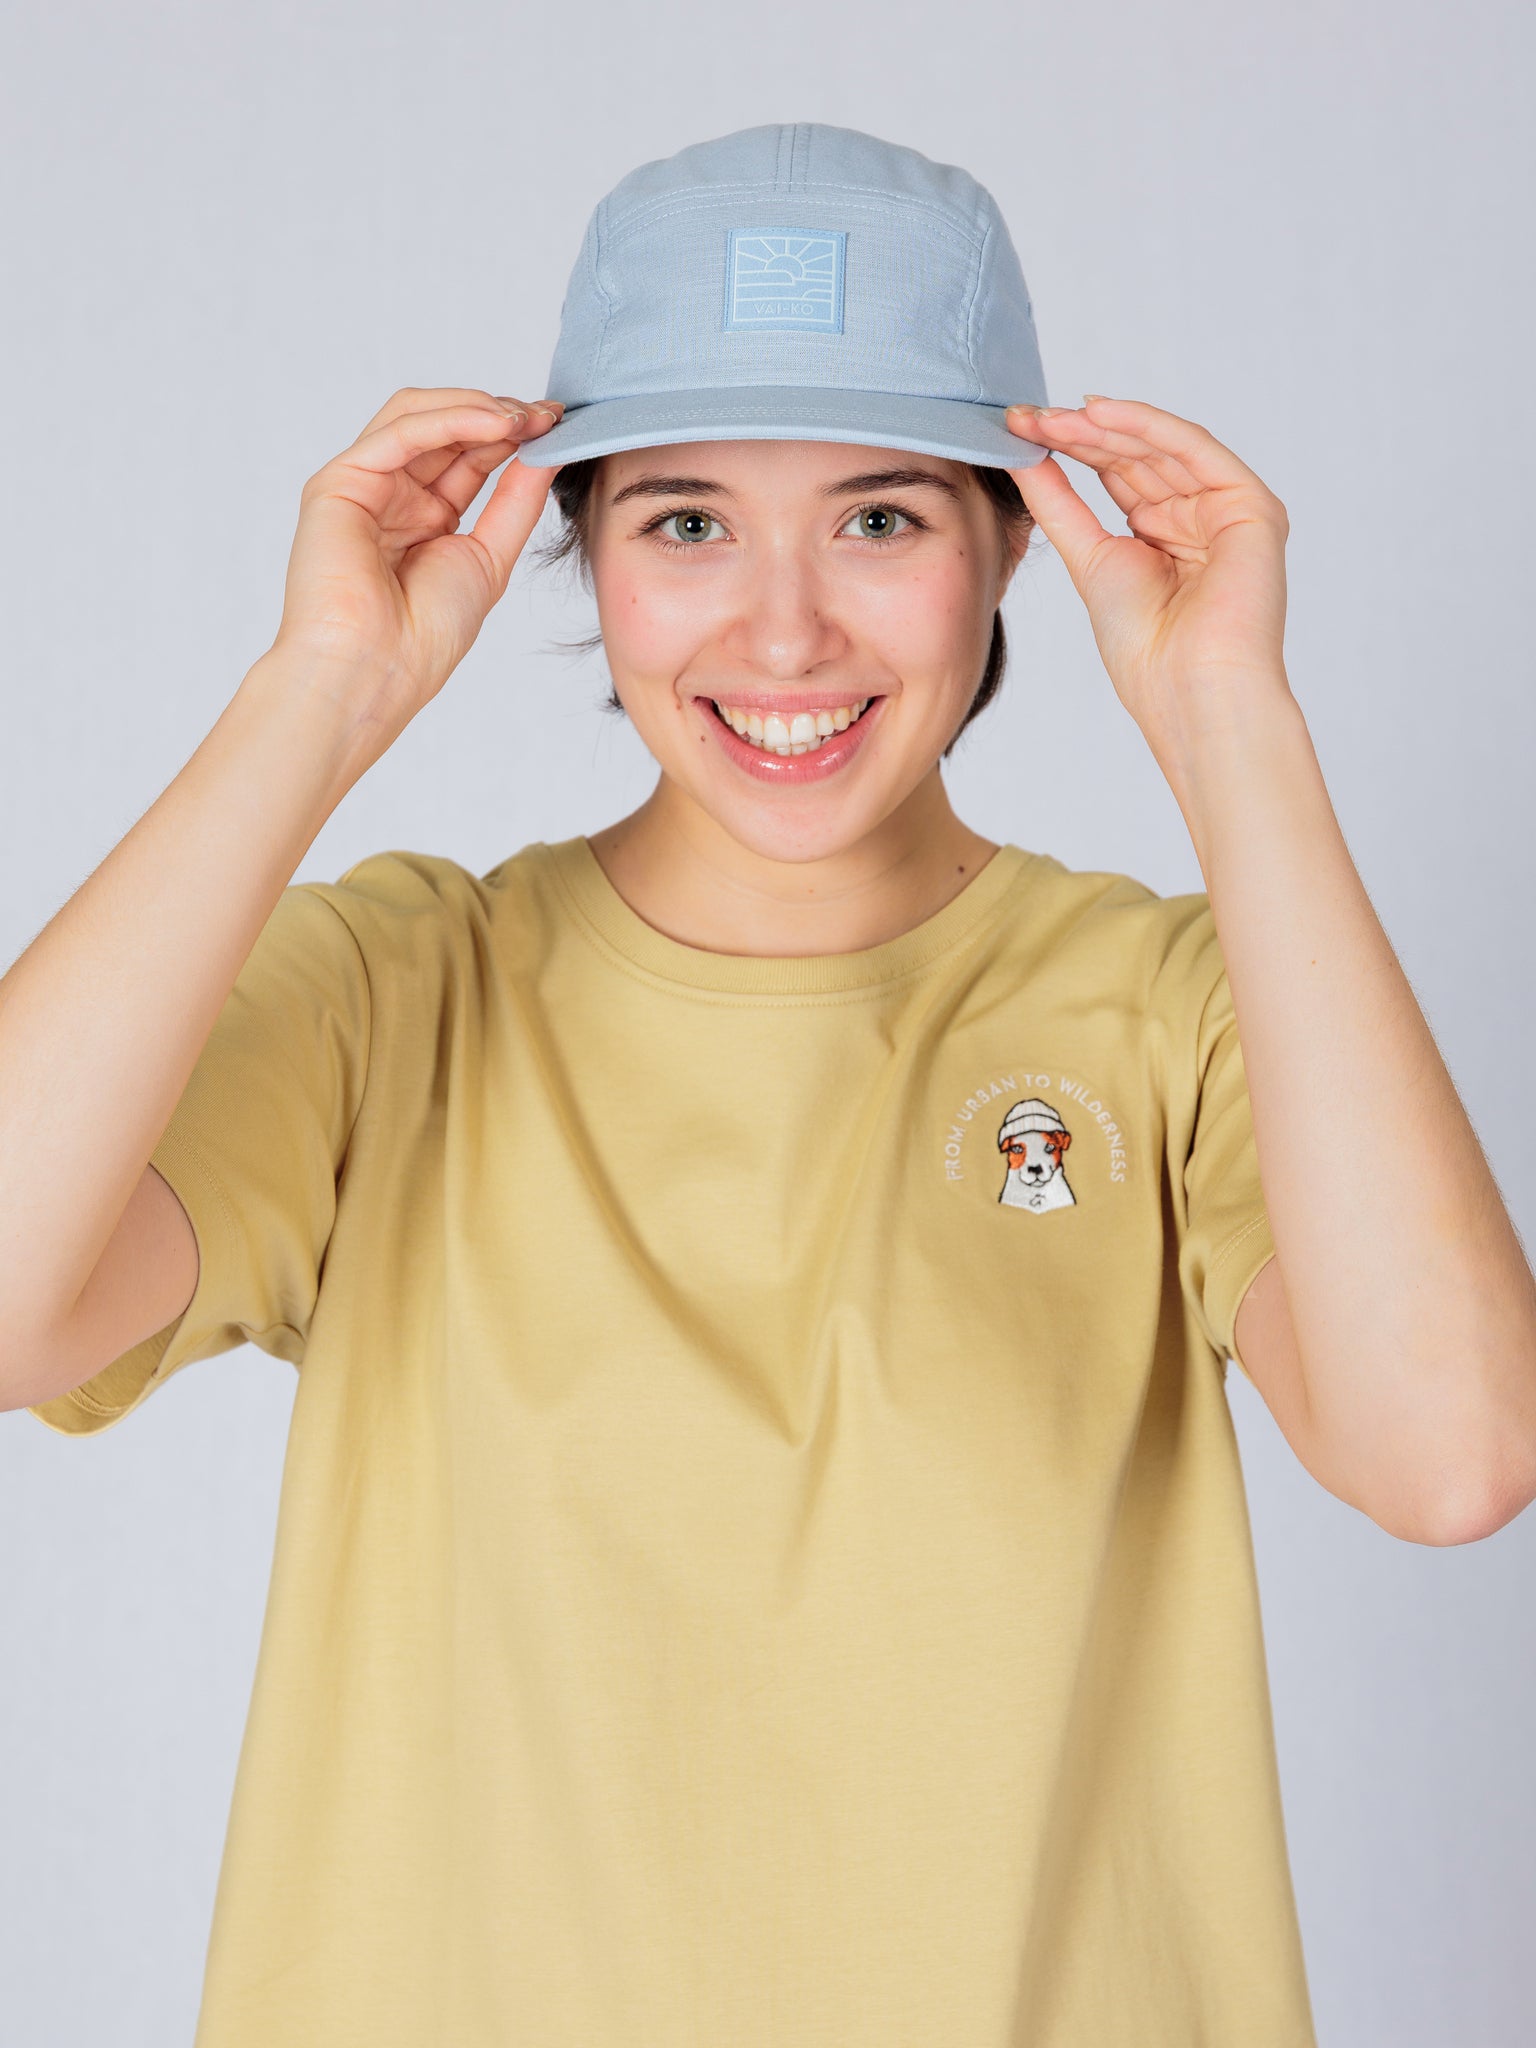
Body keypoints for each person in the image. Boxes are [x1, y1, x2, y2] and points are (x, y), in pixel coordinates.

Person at [2, 121, 1532, 2048]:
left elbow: (1452, 1454)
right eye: (687, 521)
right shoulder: (400, 994)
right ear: (580, 549)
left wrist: (1233, 721)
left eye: (883, 518)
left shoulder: (1176, 1010)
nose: (785, 630)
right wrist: (319, 687)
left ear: (1013, 544)